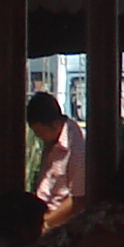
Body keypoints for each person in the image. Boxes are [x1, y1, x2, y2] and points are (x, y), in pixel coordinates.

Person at [26, 91, 84, 229]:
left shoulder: (77, 147)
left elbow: (79, 199)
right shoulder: (51, 142)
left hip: (61, 224)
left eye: (40, 131)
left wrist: (46, 223)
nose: (38, 136)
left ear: (56, 124)